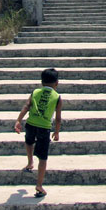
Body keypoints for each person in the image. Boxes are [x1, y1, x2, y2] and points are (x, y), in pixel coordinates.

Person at [14, 67, 62, 197]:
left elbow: (26, 106)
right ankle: (39, 185)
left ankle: (30, 162)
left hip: (31, 124)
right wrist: (57, 132)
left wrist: (18, 120)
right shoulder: (57, 97)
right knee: (43, 157)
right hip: (44, 128)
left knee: (29, 142)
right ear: (57, 83)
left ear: (41, 82)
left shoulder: (35, 92)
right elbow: (58, 118)